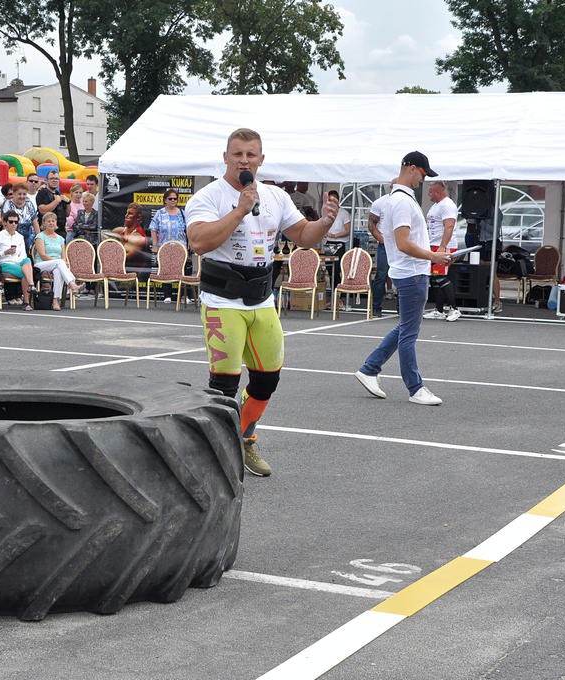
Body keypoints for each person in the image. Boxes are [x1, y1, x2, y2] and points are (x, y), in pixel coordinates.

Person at [184, 127, 338, 477]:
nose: (244, 160)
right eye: (237, 154)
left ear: (261, 159)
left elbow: (302, 237)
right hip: (222, 300)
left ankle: (242, 435)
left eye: (251, 154)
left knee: (268, 379)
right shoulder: (208, 197)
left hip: (261, 299)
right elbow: (198, 242)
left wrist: (325, 223)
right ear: (225, 157)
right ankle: (218, 451)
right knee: (224, 382)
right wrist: (239, 211)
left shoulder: (275, 197)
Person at [354, 151, 452, 406]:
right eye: (422, 174)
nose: (423, 180)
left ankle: (370, 368)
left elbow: (403, 242)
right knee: (409, 331)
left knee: (405, 328)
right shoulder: (401, 202)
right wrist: (433, 256)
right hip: (411, 272)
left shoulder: (399, 199)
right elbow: (403, 243)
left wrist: (431, 256)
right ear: (410, 168)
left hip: (411, 271)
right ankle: (415, 387)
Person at [423, 180, 461, 321]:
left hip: (443, 245)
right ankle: (439, 310)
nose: (428, 194)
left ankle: (454, 309)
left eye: (430, 191)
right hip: (434, 244)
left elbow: (449, 226)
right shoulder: (436, 205)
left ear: (438, 192)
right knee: (435, 277)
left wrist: (443, 246)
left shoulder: (447, 205)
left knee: (440, 276)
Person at [32, 212, 81, 310]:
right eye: (48, 221)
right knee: (59, 263)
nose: (51, 223)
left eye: (53, 221)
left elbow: (63, 257)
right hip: (41, 264)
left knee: (58, 271)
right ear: (44, 224)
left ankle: (55, 301)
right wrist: (60, 262)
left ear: (56, 223)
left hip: (57, 265)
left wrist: (61, 262)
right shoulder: (40, 237)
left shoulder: (61, 239)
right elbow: (42, 255)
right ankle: (72, 284)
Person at [149, 188, 188, 303]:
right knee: (166, 269)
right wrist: (155, 245)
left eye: (175, 198)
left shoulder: (182, 213)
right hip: (164, 246)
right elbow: (153, 228)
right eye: (170, 198)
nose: (173, 200)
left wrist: (190, 242)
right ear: (165, 200)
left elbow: (188, 229)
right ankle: (167, 295)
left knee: (182, 270)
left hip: (180, 247)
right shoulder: (160, 213)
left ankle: (182, 296)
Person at [0, 210, 37, 309]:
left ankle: (30, 287)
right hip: (4, 263)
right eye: (11, 222)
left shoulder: (20, 237)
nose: (14, 224)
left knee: (27, 260)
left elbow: (23, 255)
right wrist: (5, 252)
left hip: (18, 263)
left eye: (16, 222)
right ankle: (27, 298)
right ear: (5, 222)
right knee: (26, 272)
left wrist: (17, 260)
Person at [367, 181, 395, 318]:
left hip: (401, 244)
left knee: (402, 275)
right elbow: (371, 224)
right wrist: (381, 239)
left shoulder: (408, 201)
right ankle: (376, 307)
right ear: (390, 187)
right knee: (381, 275)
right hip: (385, 244)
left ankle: (402, 309)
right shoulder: (380, 202)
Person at [2, 182, 39, 249]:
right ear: (14, 194)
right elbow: (4, 222)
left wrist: (39, 238)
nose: (22, 196)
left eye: (24, 194)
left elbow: (35, 222)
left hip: (28, 236)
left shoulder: (29, 204)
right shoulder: (7, 203)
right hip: (12, 234)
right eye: (19, 194)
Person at [35, 170, 70, 237]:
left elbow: (67, 214)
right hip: (47, 232)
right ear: (47, 180)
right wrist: (56, 201)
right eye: (52, 178)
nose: (54, 180)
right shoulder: (42, 193)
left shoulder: (59, 194)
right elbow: (42, 210)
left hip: (61, 233)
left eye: (56, 179)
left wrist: (68, 202)